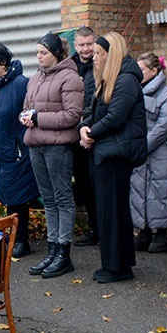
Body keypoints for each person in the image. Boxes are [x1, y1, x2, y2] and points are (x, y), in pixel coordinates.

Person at [79, 32, 146, 283]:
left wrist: (91, 134)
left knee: (113, 211)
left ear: (111, 54)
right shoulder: (109, 80)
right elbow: (94, 111)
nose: (94, 58)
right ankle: (115, 263)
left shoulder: (126, 80)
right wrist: (84, 127)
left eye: (98, 53)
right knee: (109, 211)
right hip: (104, 152)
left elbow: (115, 117)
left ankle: (117, 266)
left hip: (116, 154)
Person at [20, 33, 84, 278]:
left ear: (56, 54)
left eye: (43, 52)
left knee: (62, 198)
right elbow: (27, 107)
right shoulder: (35, 78)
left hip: (58, 147)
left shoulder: (70, 77)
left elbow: (72, 115)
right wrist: (24, 117)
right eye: (37, 52)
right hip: (35, 145)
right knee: (47, 199)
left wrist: (37, 118)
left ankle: (63, 253)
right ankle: (52, 249)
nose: (39, 57)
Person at [0, 43, 39, 261]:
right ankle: (11, 237)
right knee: (6, 196)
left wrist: (20, 142)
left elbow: (30, 112)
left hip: (17, 150)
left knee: (18, 197)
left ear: (3, 64)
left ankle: (21, 240)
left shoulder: (20, 84)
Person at [130, 53, 167, 254]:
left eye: (142, 69)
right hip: (139, 151)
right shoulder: (135, 91)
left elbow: (163, 126)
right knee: (139, 190)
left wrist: (143, 146)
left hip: (158, 151)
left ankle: (161, 234)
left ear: (154, 71)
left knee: (159, 191)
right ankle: (144, 231)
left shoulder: (166, 94)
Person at [71, 27, 100, 247]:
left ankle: (102, 229)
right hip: (75, 133)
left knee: (97, 183)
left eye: (89, 44)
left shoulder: (101, 62)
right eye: (81, 44)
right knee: (83, 183)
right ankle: (94, 228)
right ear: (75, 45)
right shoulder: (70, 65)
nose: (86, 49)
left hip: (96, 130)